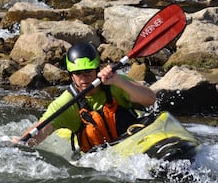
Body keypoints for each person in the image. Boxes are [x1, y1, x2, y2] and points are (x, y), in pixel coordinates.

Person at [14, 42, 156, 152]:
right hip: (100, 158)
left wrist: (119, 81)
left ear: (96, 69)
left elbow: (151, 99)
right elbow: (42, 130)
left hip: (134, 141)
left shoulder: (114, 83)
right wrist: (21, 144)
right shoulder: (67, 102)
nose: (83, 78)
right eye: (78, 73)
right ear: (71, 75)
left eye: (88, 72)